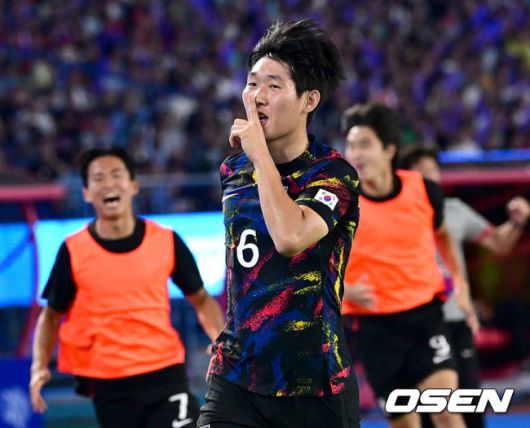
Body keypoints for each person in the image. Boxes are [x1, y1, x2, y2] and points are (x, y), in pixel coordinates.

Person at [197, 19, 361, 428]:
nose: (257, 97)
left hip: (315, 384)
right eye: (252, 84)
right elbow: (243, 264)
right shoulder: (233, 171)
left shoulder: (333, 175)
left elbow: (290, 237)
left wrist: (260, 159)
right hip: (237, 376)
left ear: (309, 100)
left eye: (273, 86)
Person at [29, 147, 225, 428]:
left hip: (165, 373)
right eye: (98, 178)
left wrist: (219, 340)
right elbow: (50, 316)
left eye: (116, 174)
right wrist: (39, 367)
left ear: (133, 185)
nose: (108, 183)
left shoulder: (166, 240)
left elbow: (202, 300)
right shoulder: (73, 250)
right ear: (86, 193)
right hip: (109, 385)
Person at [341, 103, 474, 428]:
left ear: (389, 150)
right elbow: (308, 258)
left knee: (445, 411)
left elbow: (443, 236)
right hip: (373, 329)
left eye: (365, 144)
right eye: (351, 145)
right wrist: (343, 288)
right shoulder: (340, 201)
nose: (355, 153)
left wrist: (461, 284)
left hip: (425, 318)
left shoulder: (424, 191)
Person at [400, 145, 530, 428]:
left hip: (456, 324)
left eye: (432, 170)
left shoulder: (454, 211)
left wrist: (516, 223)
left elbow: (498, 242)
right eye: (420, 172)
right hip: (415, 325)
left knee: (469, 406)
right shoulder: (392, 218)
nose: (428, 176)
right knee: (427, 412)